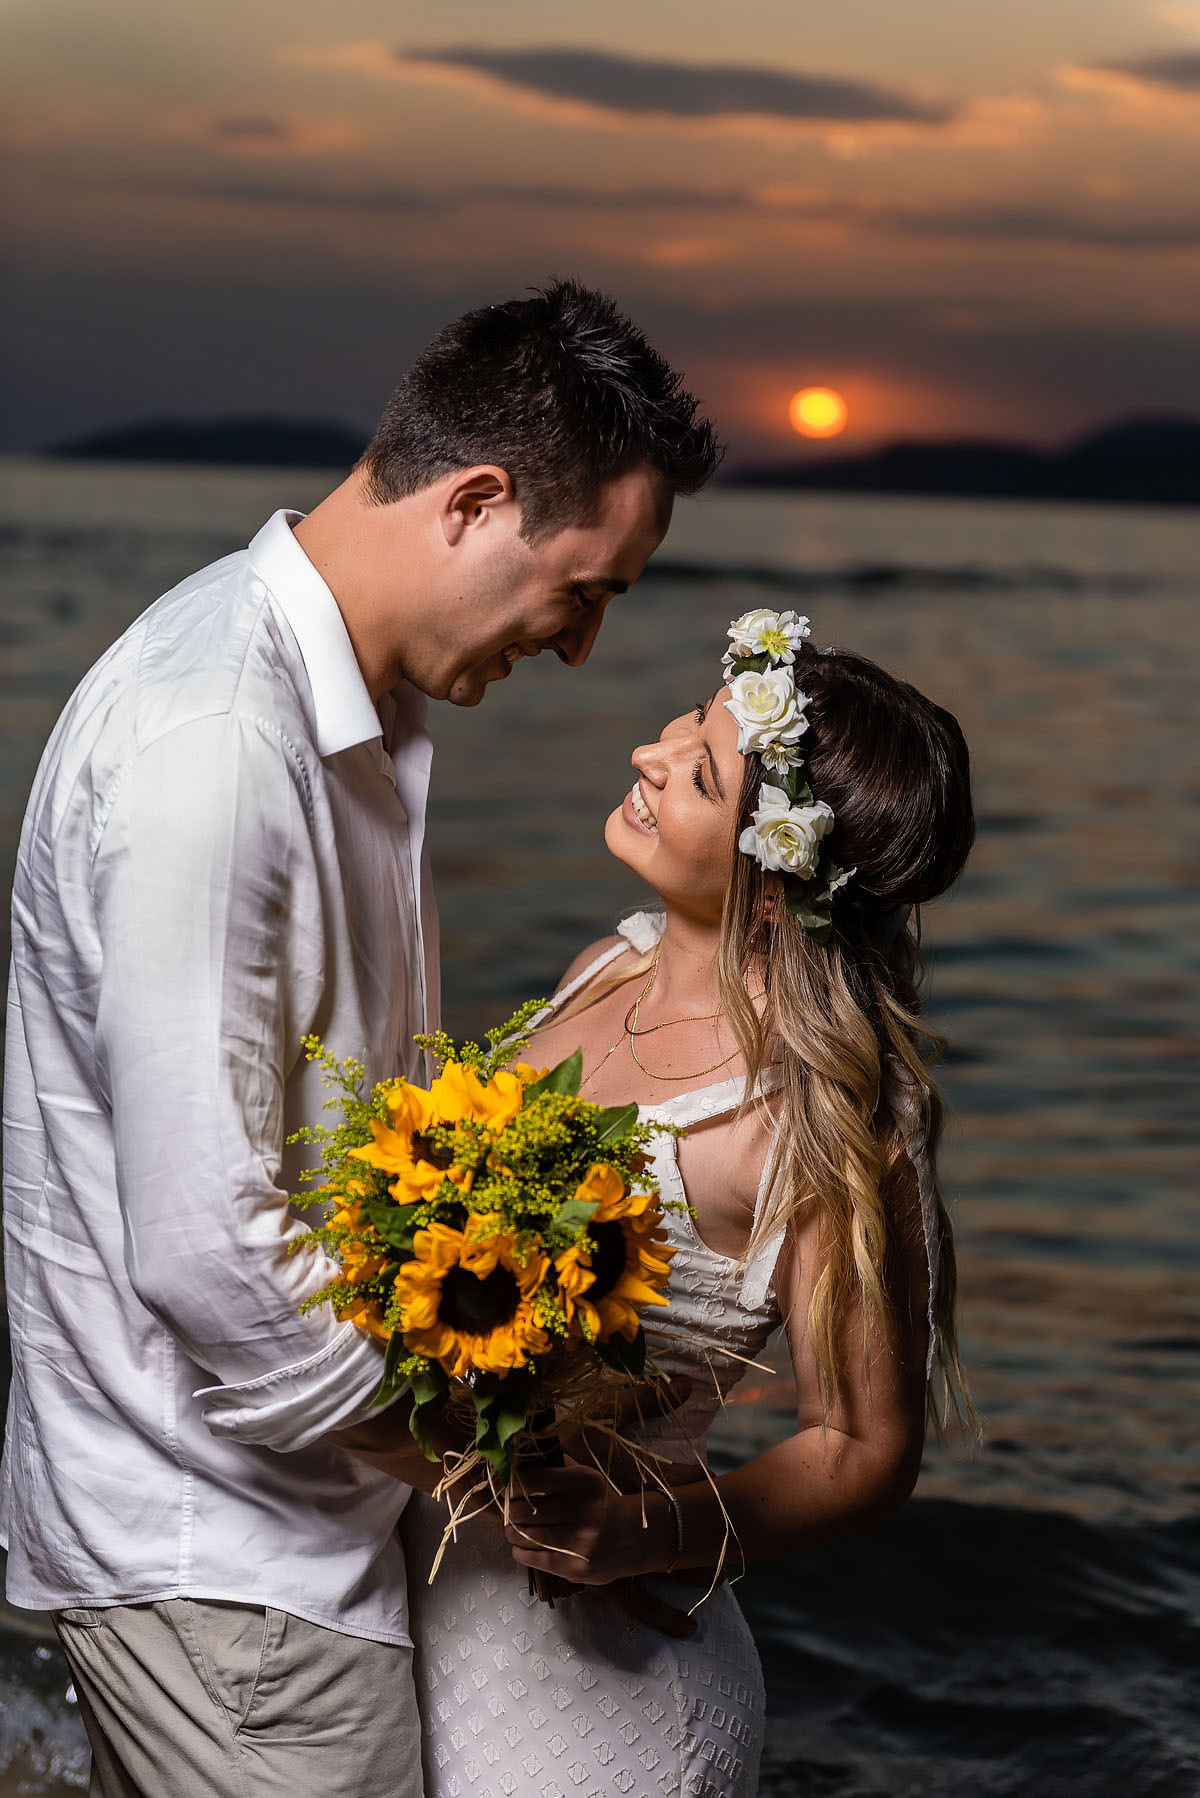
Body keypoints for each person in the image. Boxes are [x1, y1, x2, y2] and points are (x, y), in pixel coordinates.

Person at [0, 280, 718, 1797]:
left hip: (278, 1535)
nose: (582, 648)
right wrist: (485, 1467)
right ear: (475, 500)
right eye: (583, 591)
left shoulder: (345, 719)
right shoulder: (219, 744)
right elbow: (203, 1244)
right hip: (225, 1549)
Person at [401, 614, 976, 1798]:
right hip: (419, 1590)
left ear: (774, 882)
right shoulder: (602, 967)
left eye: (701, 771)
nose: (648, 757)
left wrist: (642, 1530)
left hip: (588, 1689)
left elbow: (865, 1447)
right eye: (681, 728)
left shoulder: (818, 1118)